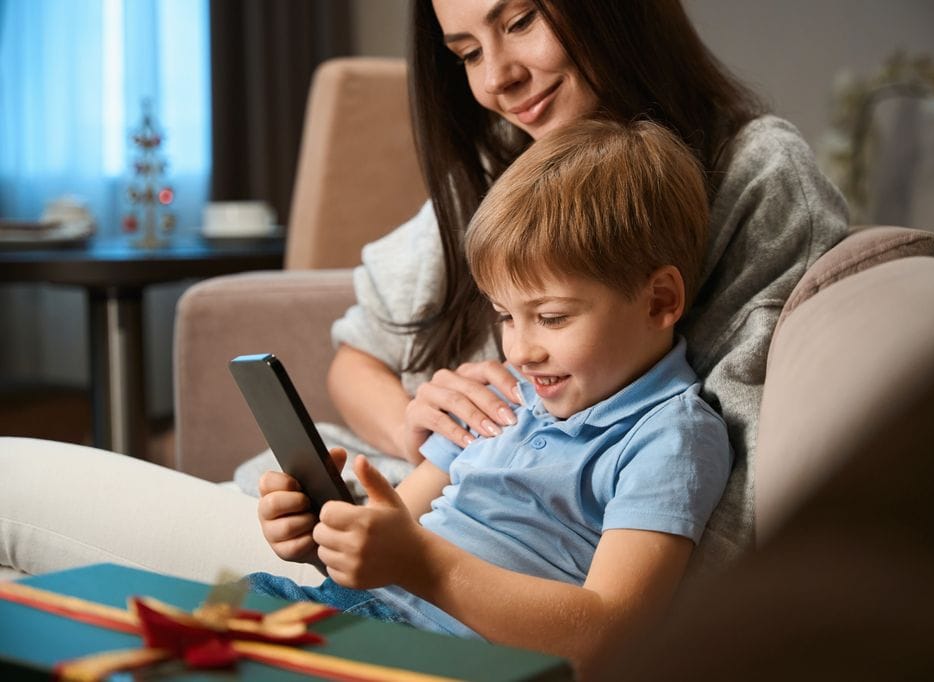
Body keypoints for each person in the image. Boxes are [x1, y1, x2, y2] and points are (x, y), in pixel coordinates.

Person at [0, 0, 846, 583]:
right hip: (381, 533)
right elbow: (356, 356)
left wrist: (412, 555)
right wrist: (415, 418)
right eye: (467, 52)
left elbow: (729, 505)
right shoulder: (503, 165)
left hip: (423, 576)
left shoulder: (750, 176)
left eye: (519, 21)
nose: (497, 81)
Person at [250, 117, 731, 677]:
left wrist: (426, 567)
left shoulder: (671, 436)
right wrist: (324, 537)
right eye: (505, 315)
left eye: (550, 317)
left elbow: (609, 633)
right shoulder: (507, 394)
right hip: (357, 614)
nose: (521, 350)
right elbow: (394, 529)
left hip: (446, 657)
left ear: (659, 301)